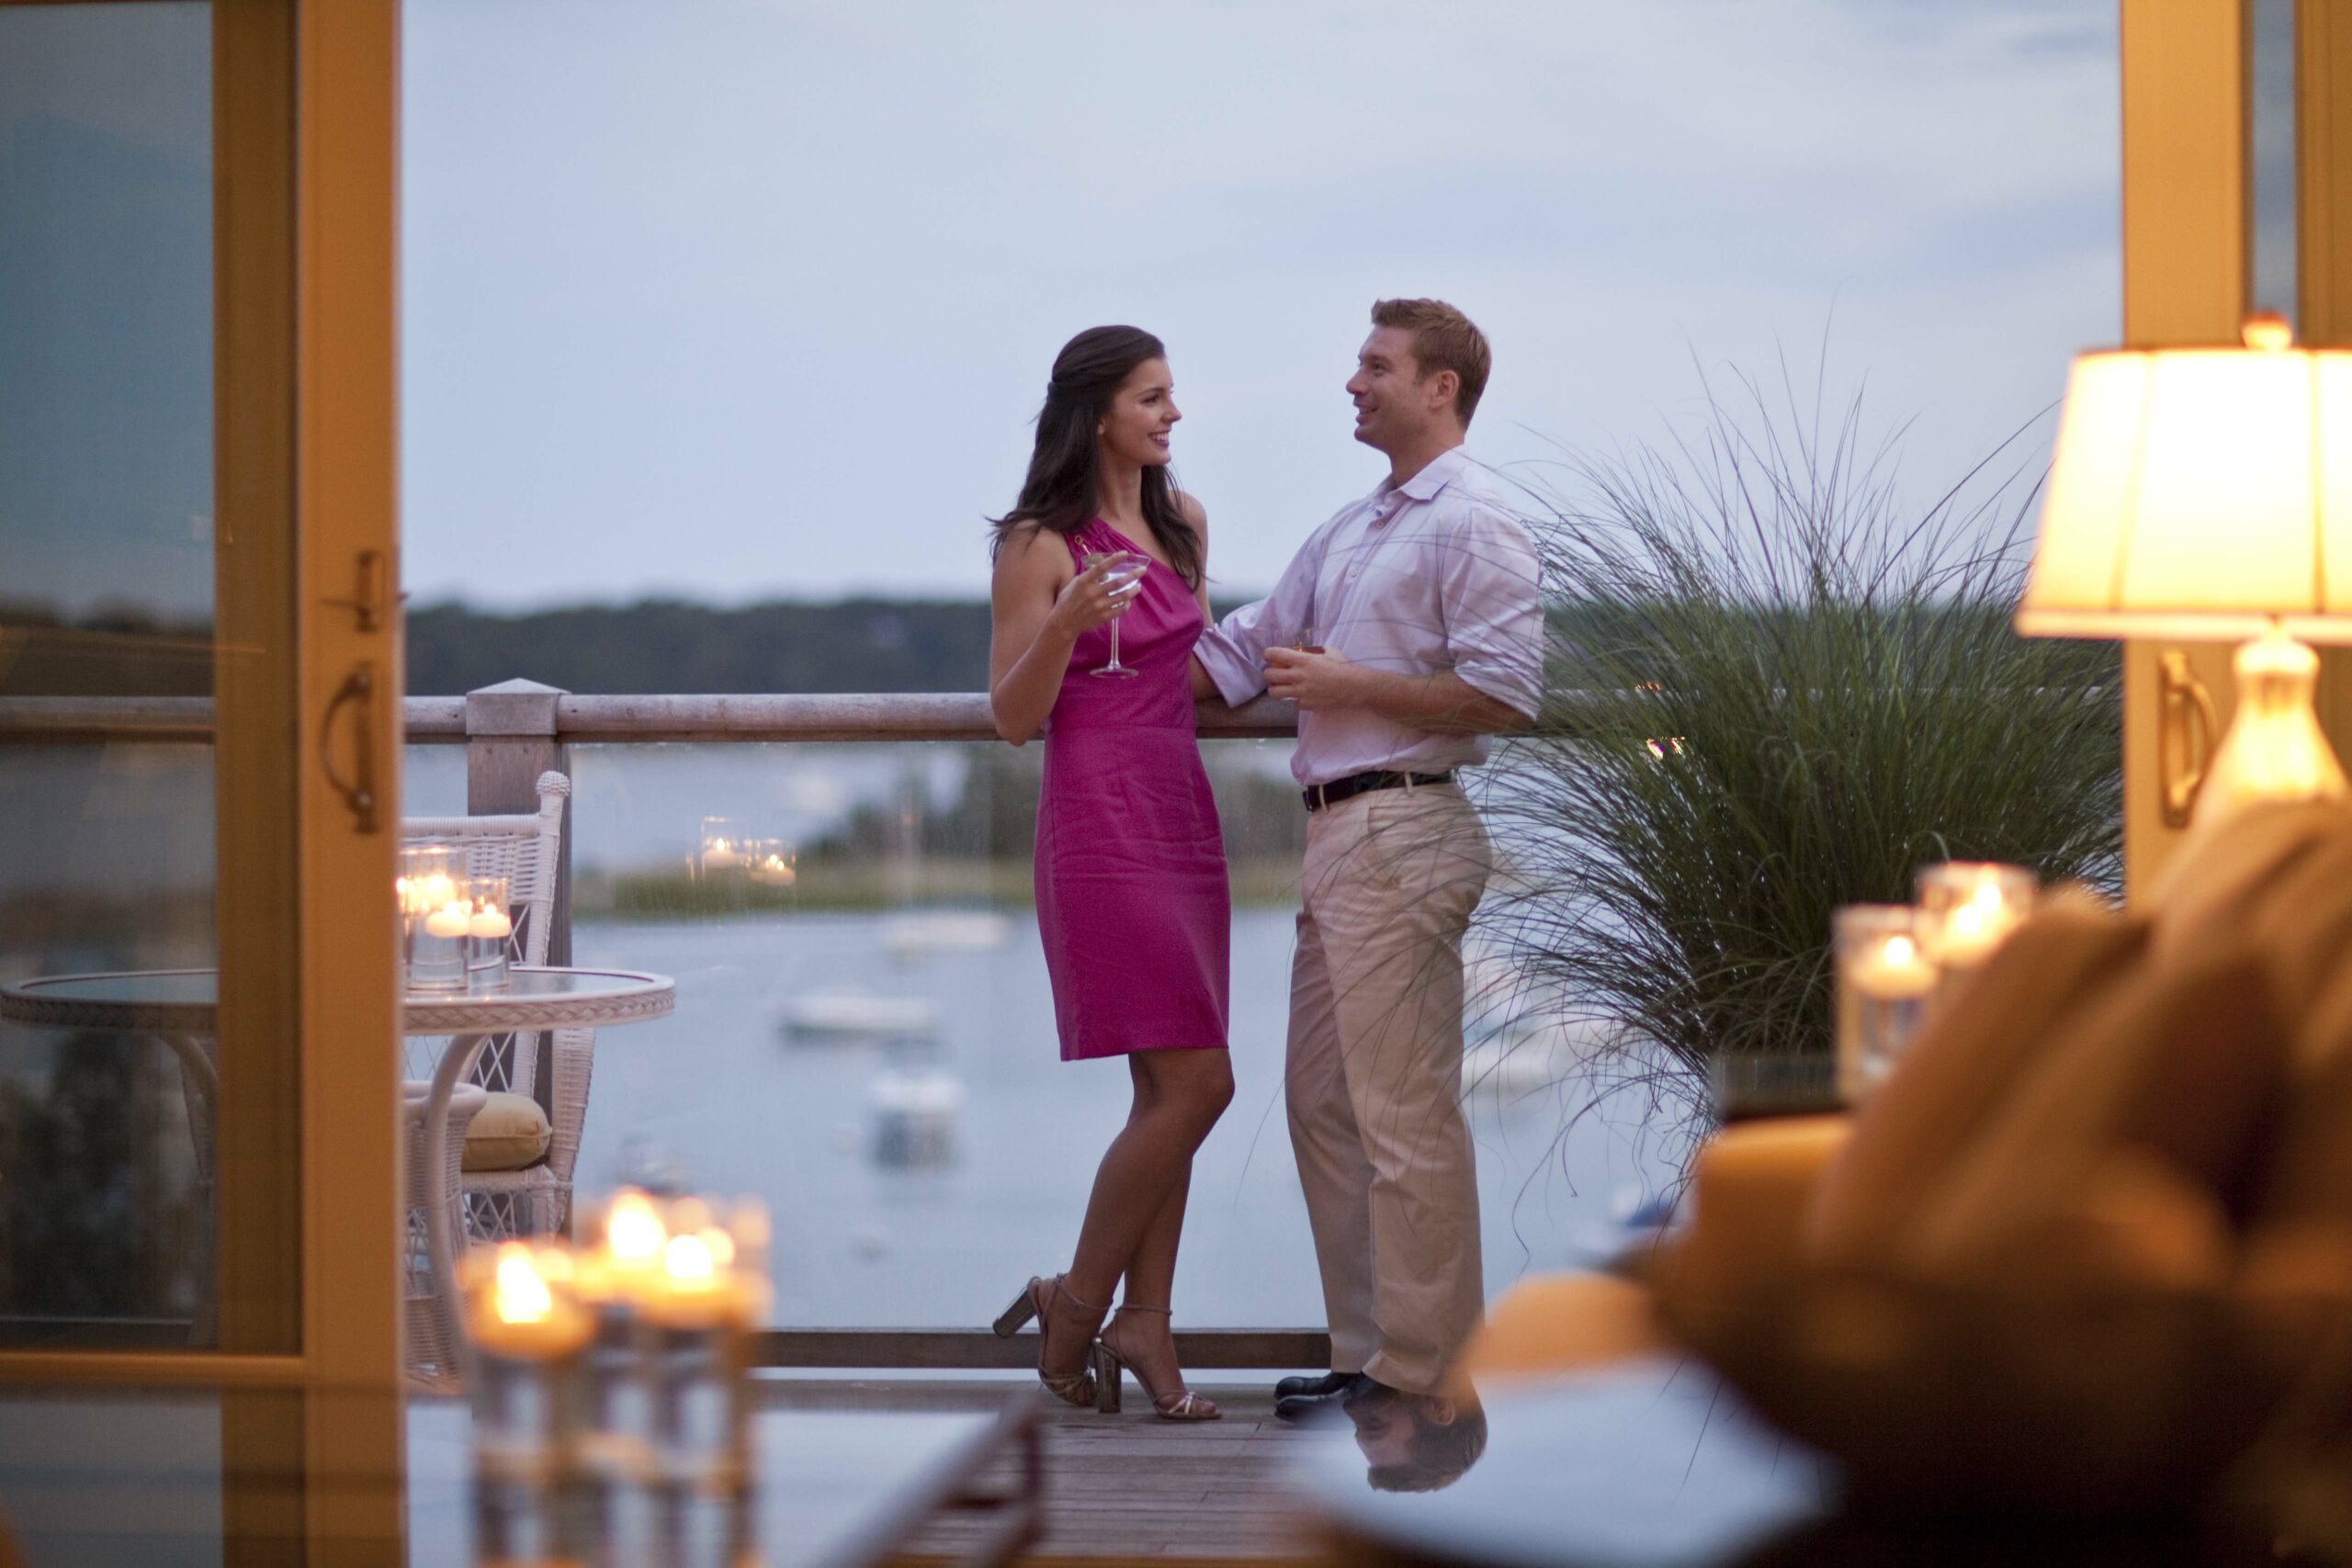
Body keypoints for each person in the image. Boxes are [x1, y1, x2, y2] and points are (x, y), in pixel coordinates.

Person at [1190, 298, 1542, 1425]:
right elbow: (1234, 656)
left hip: (1403, 826)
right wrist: (1098, 636)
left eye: (1375, 365)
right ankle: (1372, 1356)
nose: (1353, 382)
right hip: (1338, 832)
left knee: (1402, 1118)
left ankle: (1430, 1381)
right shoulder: (1350, 530)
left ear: (1441, 388)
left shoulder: (1476, 519)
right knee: (1323, 1108)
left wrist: (1352, 688)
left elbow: (1506, 693)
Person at [985, 325, 1233, 1421]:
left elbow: (1200, 667)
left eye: (1171, 396)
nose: (1172, 415)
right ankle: (1082, 1304)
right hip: (1096, 819)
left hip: (1181, 812)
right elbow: (1010, 717)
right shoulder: (1039, 543)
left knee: (1165, 1091)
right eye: (1153, 396)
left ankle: (1146, 1324)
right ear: (1097, 413)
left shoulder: (1180, 524)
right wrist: (1068, 627)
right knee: (1199, 1084)